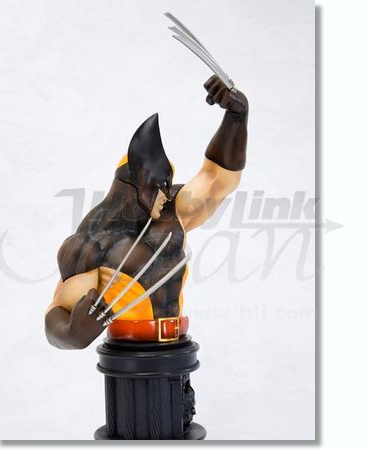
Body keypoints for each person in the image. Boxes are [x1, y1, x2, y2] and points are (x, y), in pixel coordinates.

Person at [45, 76, 248, 349]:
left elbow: (216, 179)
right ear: (140, 183)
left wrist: (236, 119)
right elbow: (58, 309)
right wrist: (71, 335)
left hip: (177, 347)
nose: (168, 192)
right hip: (127, 353)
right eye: (162, 184)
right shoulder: (90, 244)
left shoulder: (171, 213)